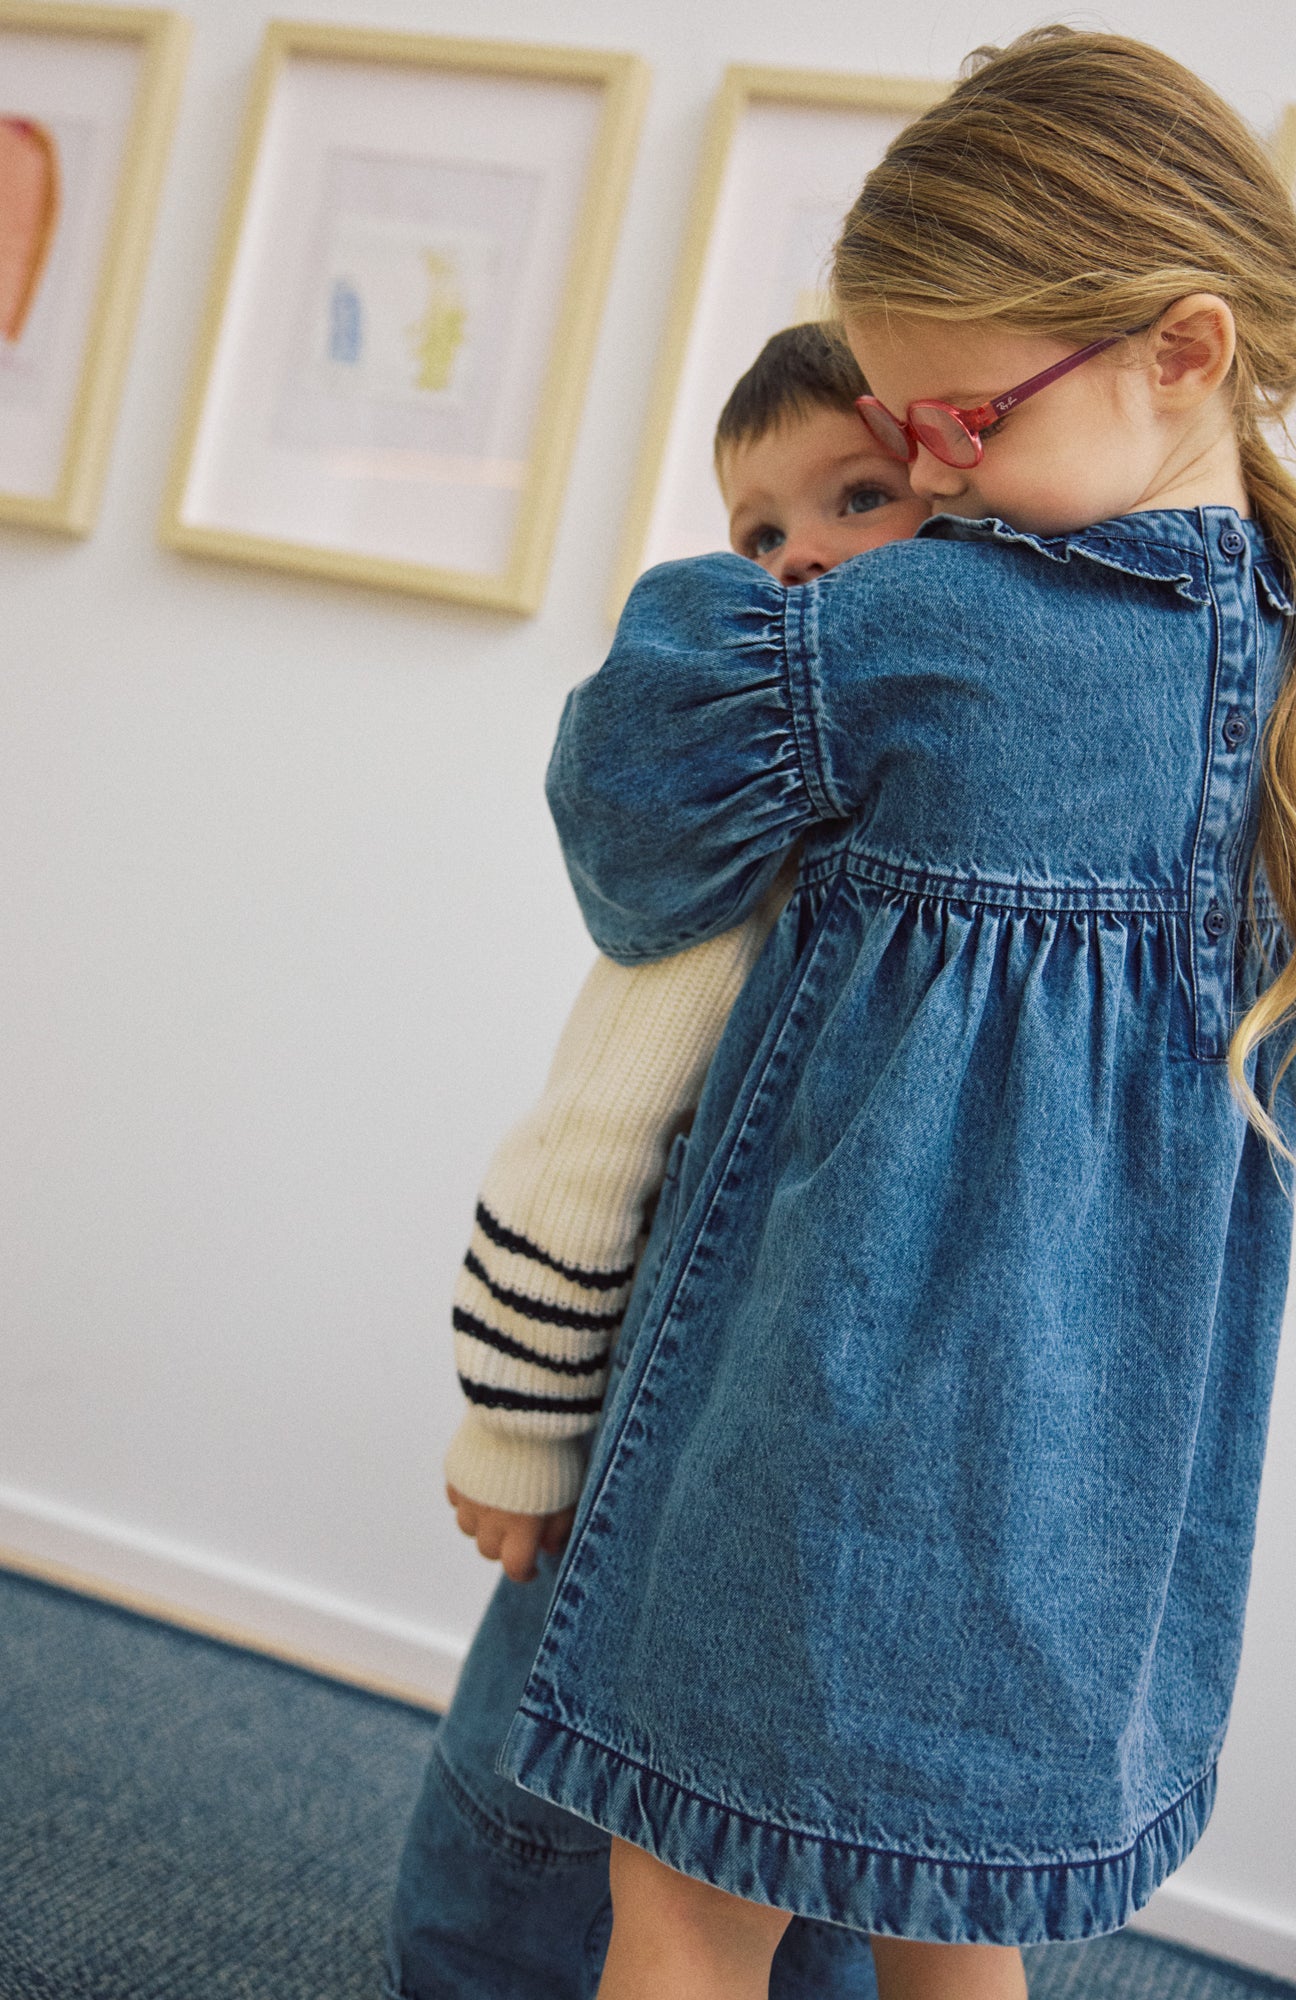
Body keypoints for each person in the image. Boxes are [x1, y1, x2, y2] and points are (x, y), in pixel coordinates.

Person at [485, 27, 1296, 2000]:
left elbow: (629, 820)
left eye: (958, 430)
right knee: (948, 1921)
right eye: (898, 436)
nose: (926, 483)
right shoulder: (1284, 653)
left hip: (831, 1422)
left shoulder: (926, 628)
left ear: (1185, 348)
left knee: (683, 1913)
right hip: (1085, 1482)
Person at [385, 325, 928, 2000]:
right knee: (569, 1838)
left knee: (691, 1863)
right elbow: (589, 1140)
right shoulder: (758, 845)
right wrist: (515, 1427)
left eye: (861, 495)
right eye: (758, 532)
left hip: (775, 1466)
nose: (803, 553)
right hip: (644, 1453)